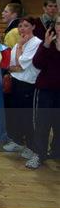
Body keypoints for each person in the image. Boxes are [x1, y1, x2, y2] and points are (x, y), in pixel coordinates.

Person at [2, 17, 42, 157]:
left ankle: (32, 146)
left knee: (27, 116)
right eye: (20, 26)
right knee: (15, 114)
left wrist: (19, 47)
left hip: (28, 85)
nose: (22, 28)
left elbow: (21, 64)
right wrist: (16, 66)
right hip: (16, 82)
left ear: (33, 27)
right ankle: (17, 141)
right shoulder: (20, 43)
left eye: (26, 25)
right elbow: (11, 66)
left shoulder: (36, 43)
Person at [28, 14, 60, 168]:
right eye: (59, 23)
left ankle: (56, 152)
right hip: (45, 91)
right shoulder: (47, 43)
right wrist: (46, 45)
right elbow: (37, 63)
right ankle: (39, 154)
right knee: (42, 124)